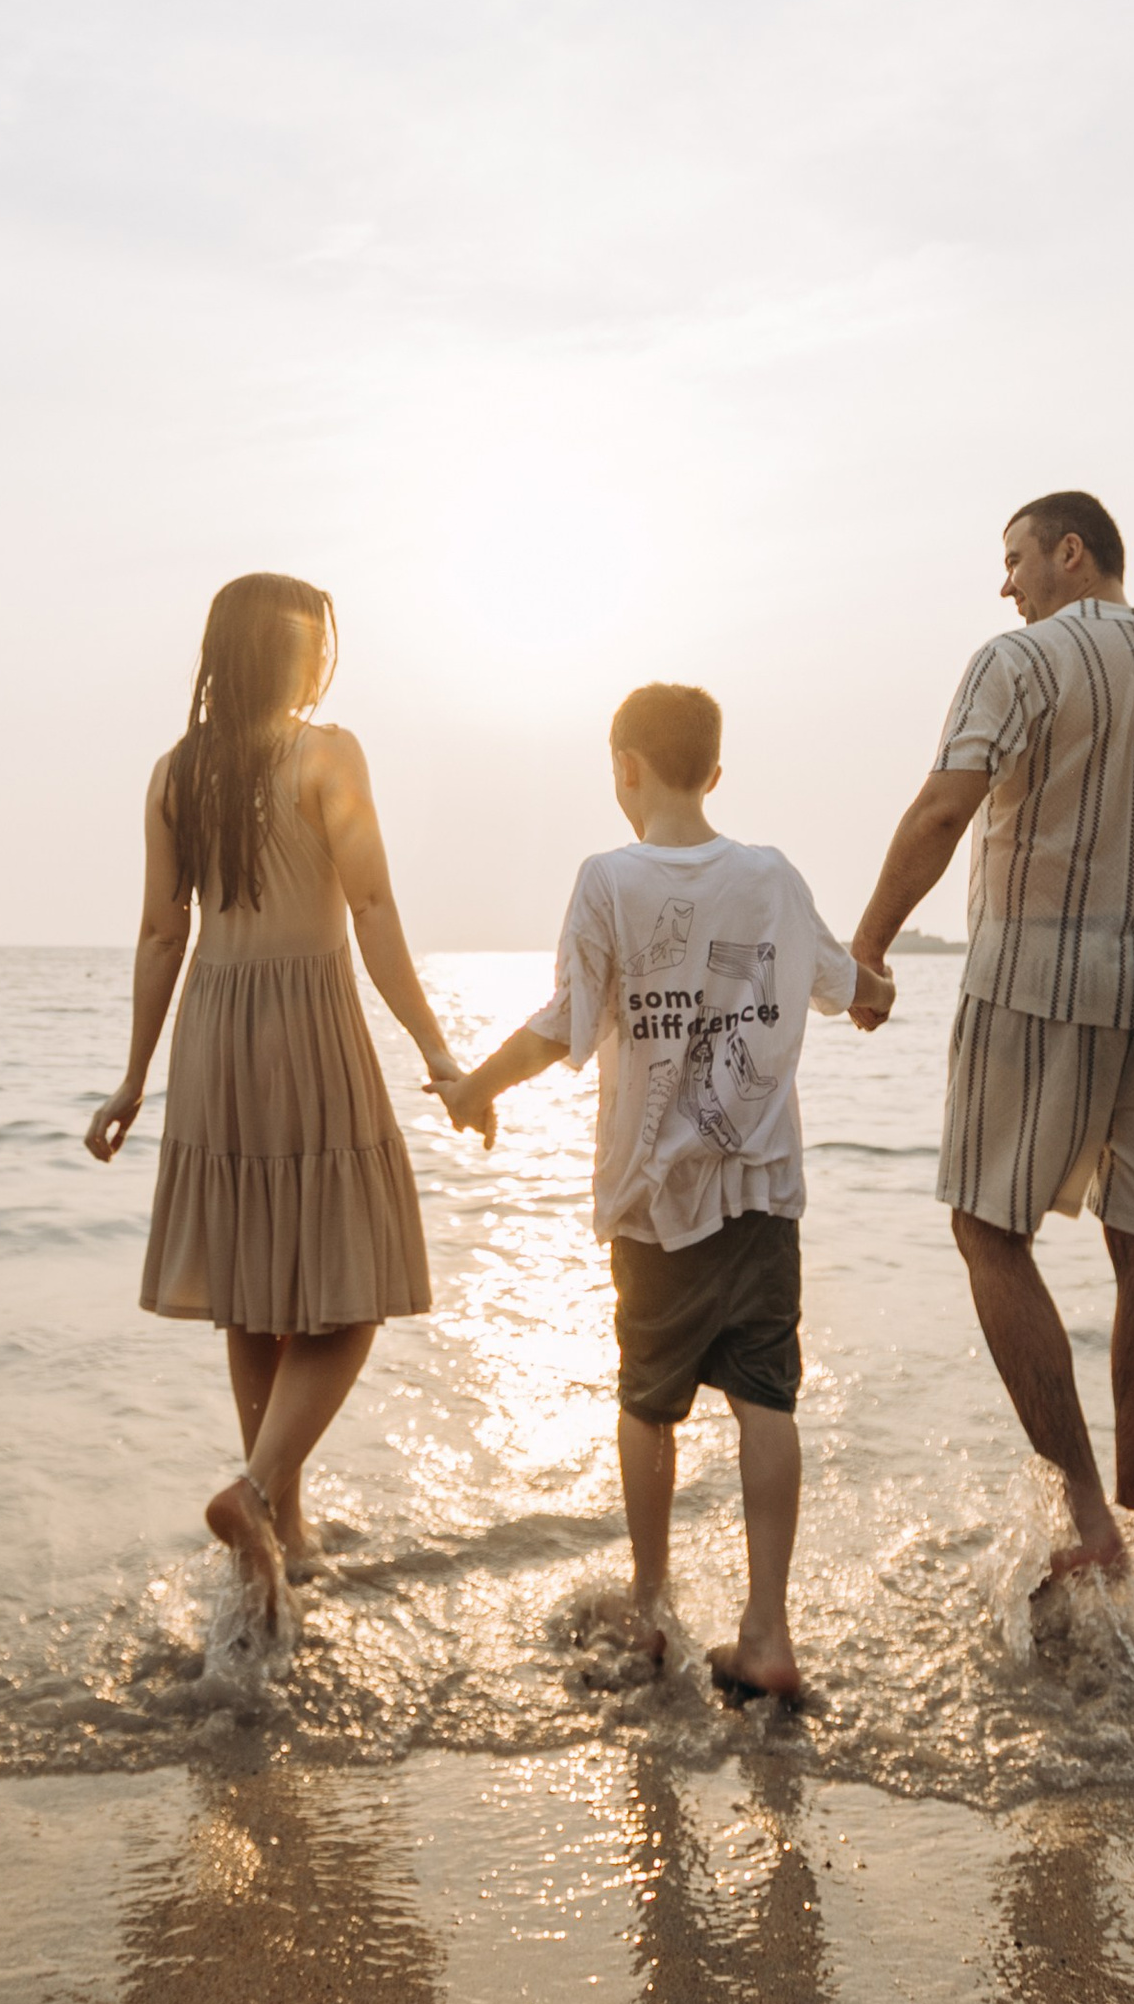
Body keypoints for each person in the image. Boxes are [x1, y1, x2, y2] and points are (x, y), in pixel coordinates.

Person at [849, 491, 1134, 1580]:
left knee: (984, 1229)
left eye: (1012, 558)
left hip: (1033, 982)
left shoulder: (1020, 663)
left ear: (1071, 553)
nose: (1003, 583)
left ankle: (1082, 1516)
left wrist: (869, 945)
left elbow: (939, 810)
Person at [441, 683, 892, 1702]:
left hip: (653, 1202)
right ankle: (767, 1630)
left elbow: (564, 1022)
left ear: (624, 768)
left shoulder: (606, 880)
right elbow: (844, 980)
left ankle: (650, 1612)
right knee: (765, 1399)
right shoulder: (769, 875)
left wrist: (474, 1084)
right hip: (762, 1194)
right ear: (715, 774)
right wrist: (877, 996)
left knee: (649, 1406)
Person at [84, 570, 474, 1623]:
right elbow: (376, 903)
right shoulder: (326, 753)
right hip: (306, 1021)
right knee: (356, 1290)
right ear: (288, 653)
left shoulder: (177, 773)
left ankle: (282, 1538)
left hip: (213, 1033)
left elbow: (165, 932)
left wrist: (132, 1079)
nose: (319, 657)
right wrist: (436, 1053)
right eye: (311, 640)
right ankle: (256, 1493)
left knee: (254, 1283)